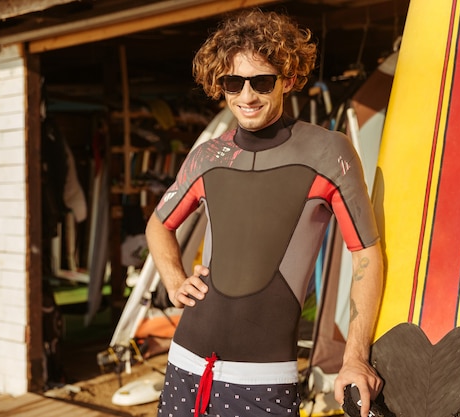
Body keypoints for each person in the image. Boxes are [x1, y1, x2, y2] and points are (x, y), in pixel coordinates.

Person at [145, 8, 383, 417]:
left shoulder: (328, 152)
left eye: (262, 81)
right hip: (184, 364)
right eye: (234, 83)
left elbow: (366, 254)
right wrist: (173, 280)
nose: (247, 96)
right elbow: (158, 224)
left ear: (288, 79)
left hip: (262, 379)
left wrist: (355, 357)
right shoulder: (208, 155)